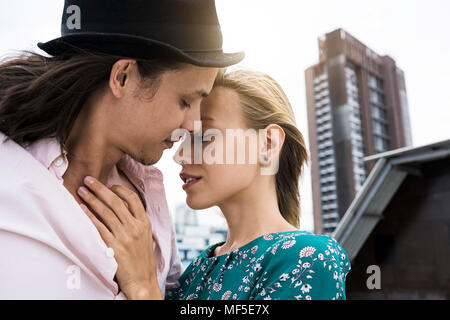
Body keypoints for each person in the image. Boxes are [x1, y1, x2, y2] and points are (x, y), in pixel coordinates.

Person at [0, 0, 243, 299]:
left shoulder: (151, 197)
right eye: (185, 101)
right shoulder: (10, 182)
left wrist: (145, 288)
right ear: (123, 77)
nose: (193, 126)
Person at [79, 69, 351, 300]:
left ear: (267, 144)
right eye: (184, 139)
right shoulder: (195, 272)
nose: (180, 155)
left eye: (204, 137)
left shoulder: (311, 258)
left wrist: (143, 288)